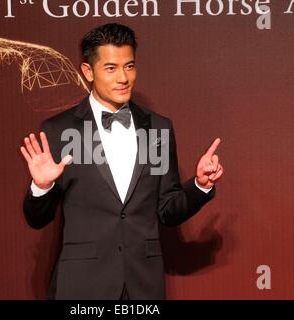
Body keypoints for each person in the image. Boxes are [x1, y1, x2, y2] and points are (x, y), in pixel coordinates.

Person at [20, 23, 224, 300]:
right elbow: (37, 219)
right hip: (82, 286)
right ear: (88, 72)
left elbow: (167, 210)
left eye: (129, 66)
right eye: (111, 68)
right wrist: (41, 187)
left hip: (143, 285)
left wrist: (199, 185)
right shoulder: (60, 130)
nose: (123, 78)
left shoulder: (158, 129)